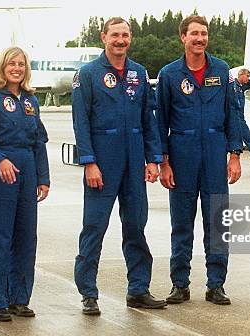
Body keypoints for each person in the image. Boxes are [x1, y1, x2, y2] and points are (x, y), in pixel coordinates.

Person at [72, 17, 166, 315]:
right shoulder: (87, 75)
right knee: (94, 227)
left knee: (136, 226)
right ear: (104, 37)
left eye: (125, 35)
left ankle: (138, 289)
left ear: (130, 38)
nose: (120, 40)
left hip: (134, 163)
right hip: (102, 164)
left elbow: (147, 120)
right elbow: (81, 123)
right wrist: (88, 162)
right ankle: (88, 293)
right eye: (115, 35)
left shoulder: (139, 73)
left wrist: (153, 159)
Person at [156, 15, 242, 306]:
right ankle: (180, 284)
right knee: (181, 225)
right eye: (194, 34)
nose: (199, 39)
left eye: (203, 34)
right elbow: (161, 122)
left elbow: (233, 115)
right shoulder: (169, 74)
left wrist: (234, 155)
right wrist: (164, 162)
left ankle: (216, 284)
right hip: (182, 154)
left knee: (217, 223)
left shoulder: (222, 70)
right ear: (183, 37)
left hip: (215, 153)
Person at [0, 47, 50, 321]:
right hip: (1, 172)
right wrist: (0, 160)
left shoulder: (31, 101)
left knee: (26, 237)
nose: (16, 68)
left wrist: (43, 178)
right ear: (2, 67)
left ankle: (20, 298)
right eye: (11, 63)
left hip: (28, 167)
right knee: (0, 236)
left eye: (21, 64)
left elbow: (39, 141)